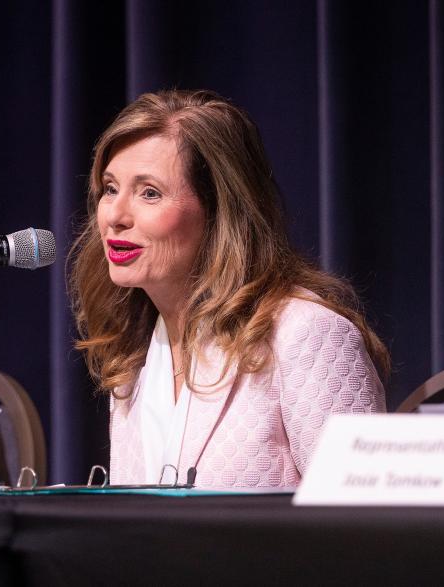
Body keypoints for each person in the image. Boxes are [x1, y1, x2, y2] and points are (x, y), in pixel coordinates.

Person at [69, 90, 388, 488]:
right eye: (111, 188)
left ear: (219, 210)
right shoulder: (136, 354)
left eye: (149, 192)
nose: (115, 215)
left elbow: (364, 525)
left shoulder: (308, 335)